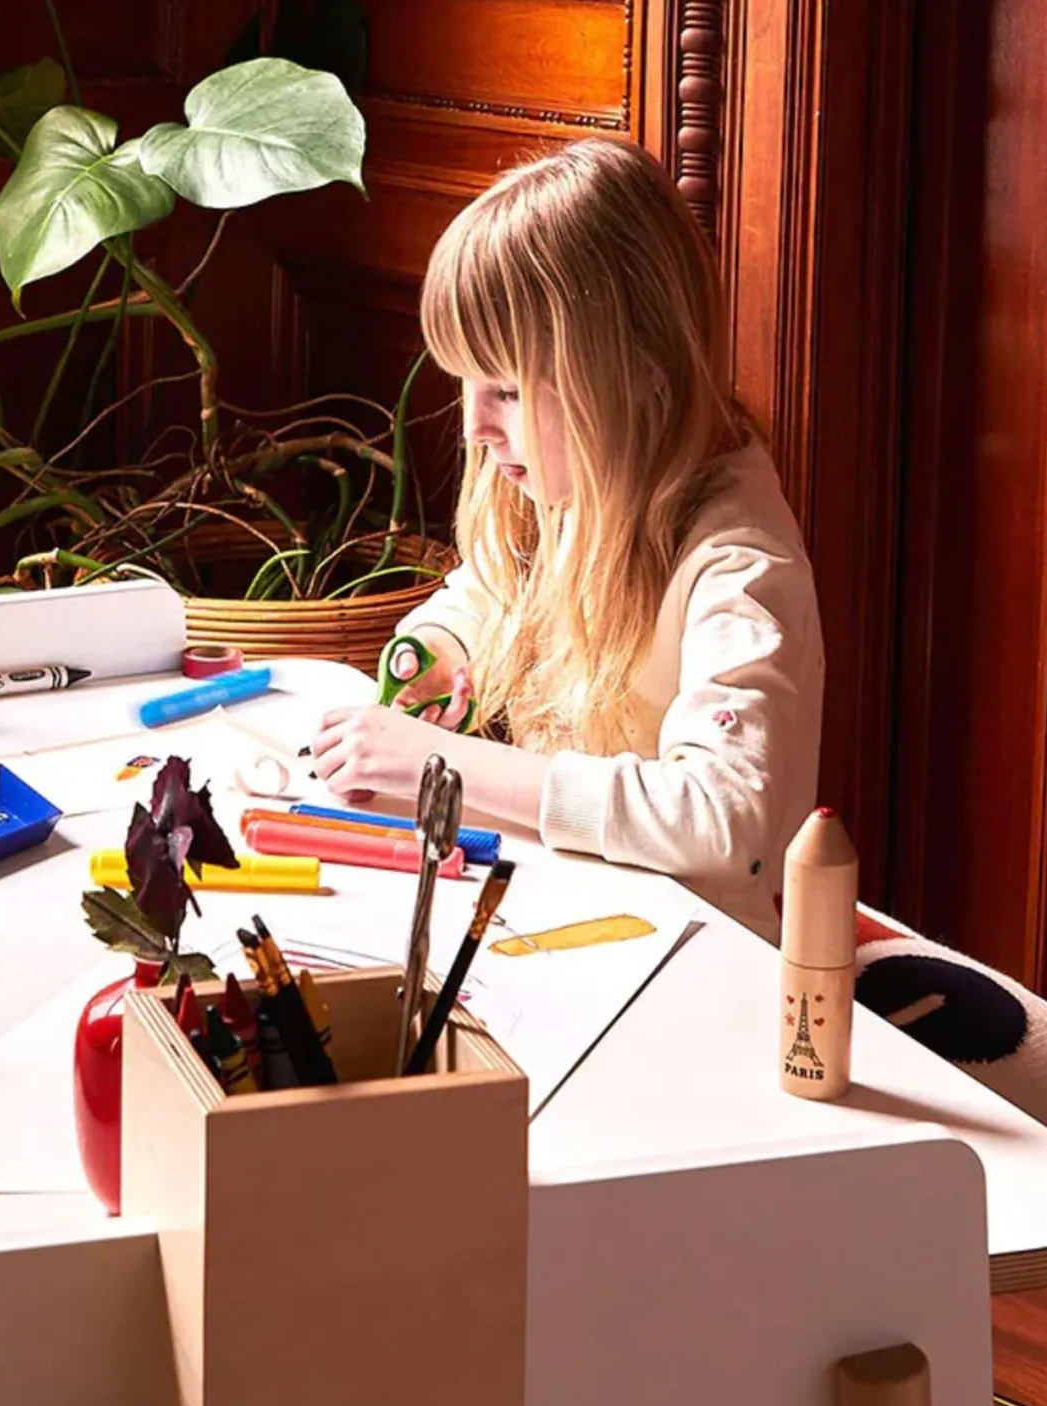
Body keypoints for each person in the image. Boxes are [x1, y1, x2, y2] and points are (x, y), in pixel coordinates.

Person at [310, 137, 823, 941]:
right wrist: (441, 647)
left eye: (507, 390)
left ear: (636, 374)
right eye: (467, 384)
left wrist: (445, 765)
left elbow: (722, 818)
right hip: (579, 919)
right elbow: (487, 590)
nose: (476, 428)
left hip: (697, 964)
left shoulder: (741, 568)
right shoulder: (582, 483)